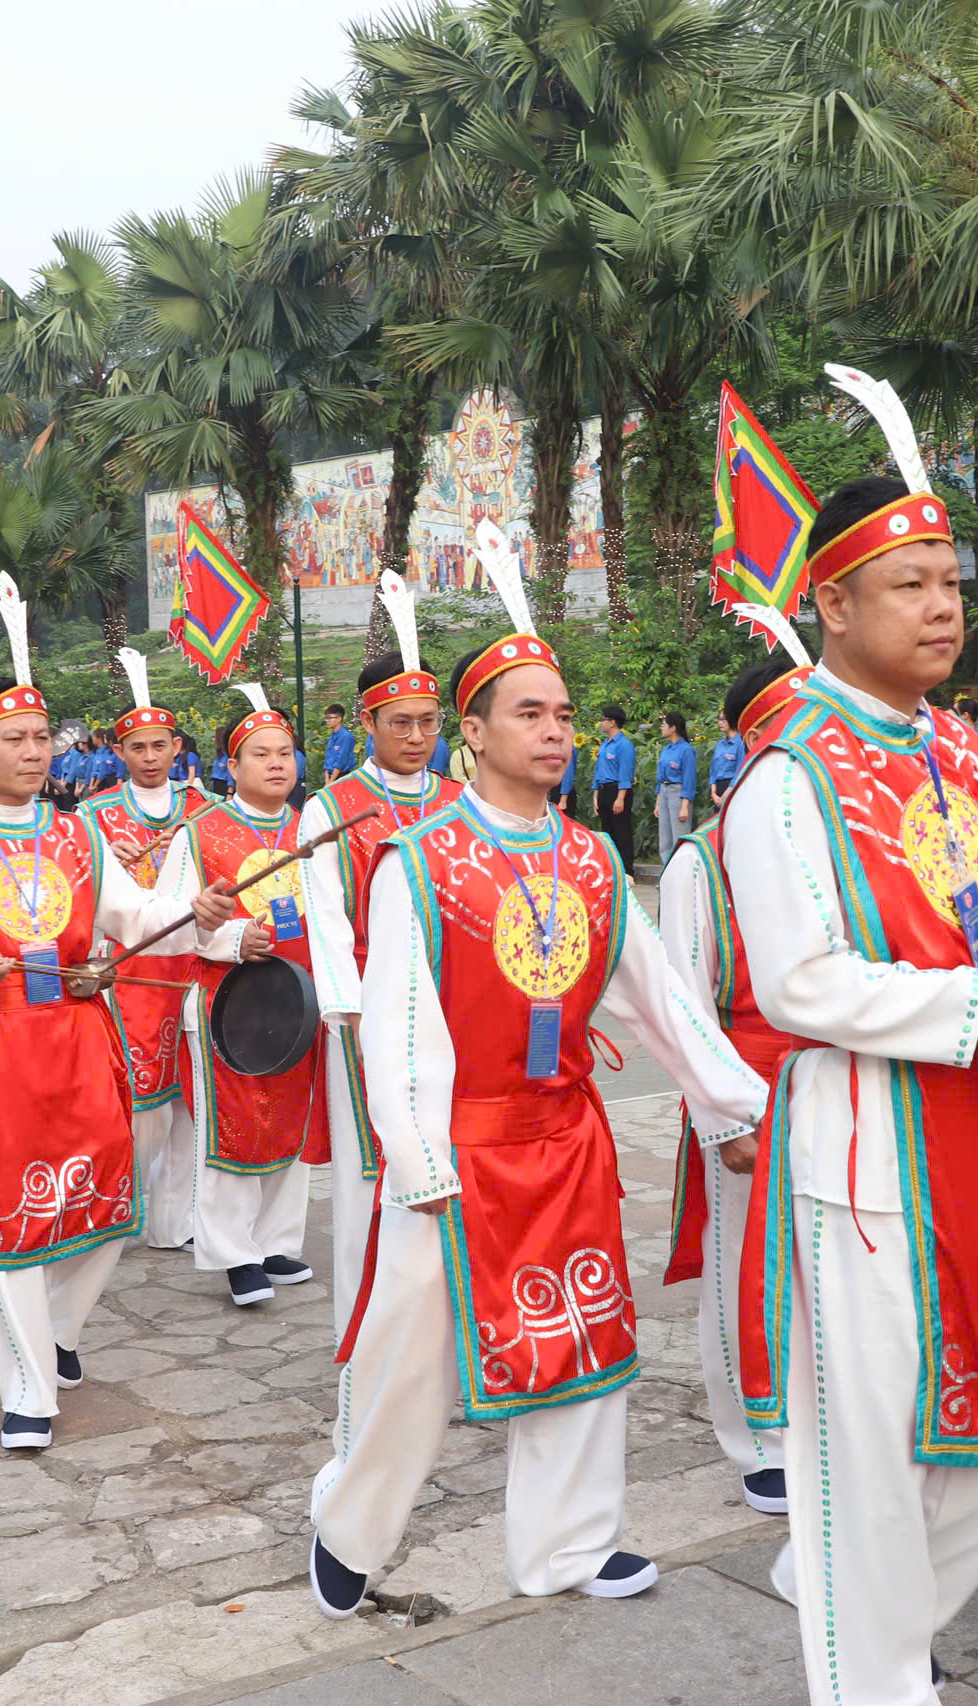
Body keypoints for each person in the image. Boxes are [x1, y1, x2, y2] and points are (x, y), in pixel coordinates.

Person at [308, 529, 768, 1617]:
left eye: (564, 712)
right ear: (472, 732)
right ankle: (351, 1523)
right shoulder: (420, 862)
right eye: (530, 711)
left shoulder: (592, 857)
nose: (555, 729)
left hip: (564, 1137)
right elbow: (401, 1022)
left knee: (581, 1334)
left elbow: (661, 997)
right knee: (410, 1358)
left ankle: (568, 1541)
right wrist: (416, 1156)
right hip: (456, 1147)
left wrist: (735, 1103)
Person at [717, 437, 978, 1702]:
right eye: (910, 583)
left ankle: (853, 1608)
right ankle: (871, 1669)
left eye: (950, 580)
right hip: (868, 1157)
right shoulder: (787, 773)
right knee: (868, 1464)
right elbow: (796, 981)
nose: (943, 607)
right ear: (832, 601)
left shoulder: (961, 752)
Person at [0, 593, 236, 1450]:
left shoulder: (77, 837)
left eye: (43, 739)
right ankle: (28, 1388)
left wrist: (200, 907)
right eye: (15, 740)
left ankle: (60, 1330)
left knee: (109, 1211)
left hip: (80, 1043)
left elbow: (134, 917)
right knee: (11, 1230)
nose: (34, 753)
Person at [658, 639, 814, 1523]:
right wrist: (724, 1119)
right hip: (749, 1095)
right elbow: (684, 1010)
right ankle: (755, 1438)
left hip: (842, 1085)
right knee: (744, 1272)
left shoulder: (844, 848)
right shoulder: (701, 862)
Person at [297, 583, 464, 1355]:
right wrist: (355, 1016)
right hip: (370, 1014)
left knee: (457, 1158)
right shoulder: (333, 807)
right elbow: (327, 921)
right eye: (401, 723)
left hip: (461, 1008)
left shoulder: (464, 802)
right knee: (376, 1177)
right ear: (368, 722)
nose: (417, 736)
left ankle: (452, 1326)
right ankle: (367, 1340)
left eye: (429, 722)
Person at [166, 687, 318, 1306]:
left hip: (299, 998)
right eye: (261, 754)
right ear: (233, 766)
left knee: (292, 1120)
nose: (277, 764)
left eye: (285, 752)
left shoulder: (314, 828)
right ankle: (234, 1254)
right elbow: (172, 917)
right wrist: (232, 937)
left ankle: (279, 1241)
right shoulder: (200, 832)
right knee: (233, 1125)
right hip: (226, 1002)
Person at [76, 653, 213, 1252]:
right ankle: (118, 1207)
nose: (151, 756)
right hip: (131, 973)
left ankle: (172, 1221)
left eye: (161, 745)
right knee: (142, 1101)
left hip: (196, 964)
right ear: (119, 751)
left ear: (176, 746)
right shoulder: (94, 816)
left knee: (192, 1096)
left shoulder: (205, 808)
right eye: (138, 746)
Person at [590, 705, 636, 869]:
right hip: (603, 789)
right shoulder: (604, 744)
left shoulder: (624, 745)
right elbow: (599, 770)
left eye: (604, 720)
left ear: (613, 723)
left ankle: (627, 870)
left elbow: (625, 773)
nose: (601, 723)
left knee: (621, 831)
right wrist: (595, 795)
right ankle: (611, 868)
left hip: (617, 791)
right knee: (607, 832)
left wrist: (620, 798)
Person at [653, 711, 697, 862]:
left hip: (677, 793)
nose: (662, 728)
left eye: (664, 725)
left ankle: (681, 875)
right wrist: (658, 802)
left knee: (679, 837)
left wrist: (685, 806)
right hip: (664, 792)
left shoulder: (686, 750)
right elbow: (660, 778)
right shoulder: (666, 750)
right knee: (664, 839)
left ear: (673, 728)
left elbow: (689, 780)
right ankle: (666, 875)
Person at [708, 710, 746, 810]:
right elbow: (713, 770)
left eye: (723, 719)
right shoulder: (720, 744)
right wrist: (713, 793)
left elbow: (740, 771)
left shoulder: (741, 743)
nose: (720, 722)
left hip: (732, 788)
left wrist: (727, 793)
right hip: (717, 788)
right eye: (719, 719)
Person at [321, 701, 357, 780]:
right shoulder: (332, 736)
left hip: (342, 777)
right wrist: (327, 780)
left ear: (339, 719)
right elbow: (328, 759)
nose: (327, 721)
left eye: (330, 718)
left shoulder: (346, 737)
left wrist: (331, 781)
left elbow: (341, 761)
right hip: (330, 777)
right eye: (326, 718)